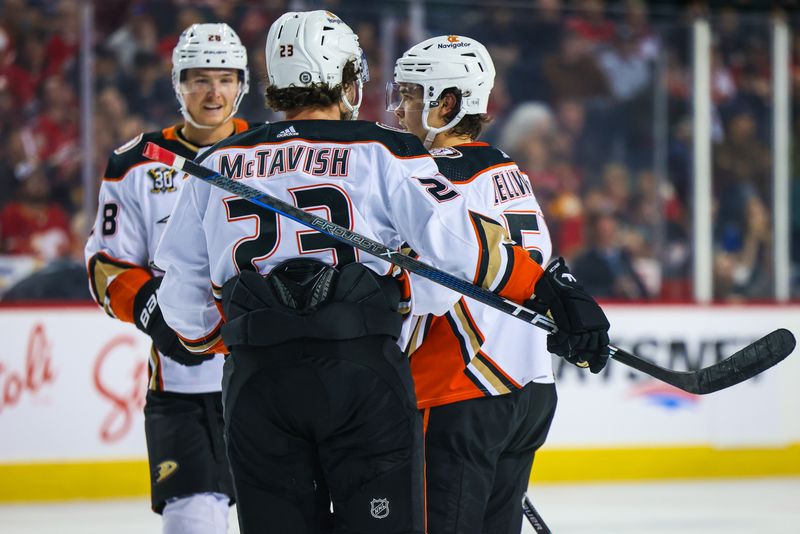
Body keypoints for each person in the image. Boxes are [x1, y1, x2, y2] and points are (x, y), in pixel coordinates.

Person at [153, 11, 610, 534]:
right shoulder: (386, 149)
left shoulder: (215, 160)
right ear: (347, 77)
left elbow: (183, 304)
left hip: (258, 382)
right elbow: (459, 253)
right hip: (362, 375)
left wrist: (226, 336)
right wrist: (546, 285)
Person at [388, 35, 606, 534]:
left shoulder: (426, 178)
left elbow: (430, 291)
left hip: (460, 388)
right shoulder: (507, 169)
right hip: (527, 387)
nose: (399, 110)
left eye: (411, 96)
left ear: (446, 103)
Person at [85, 23, 254, 534]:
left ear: (242, 84)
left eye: (225, 79)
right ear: (177, 83)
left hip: (267, 377)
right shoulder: (134, 164)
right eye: (199, 79)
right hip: (183, 391)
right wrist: (150, 308)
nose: (213, 92)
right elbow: (104, 265)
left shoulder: (274, 156)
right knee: (192, 523)